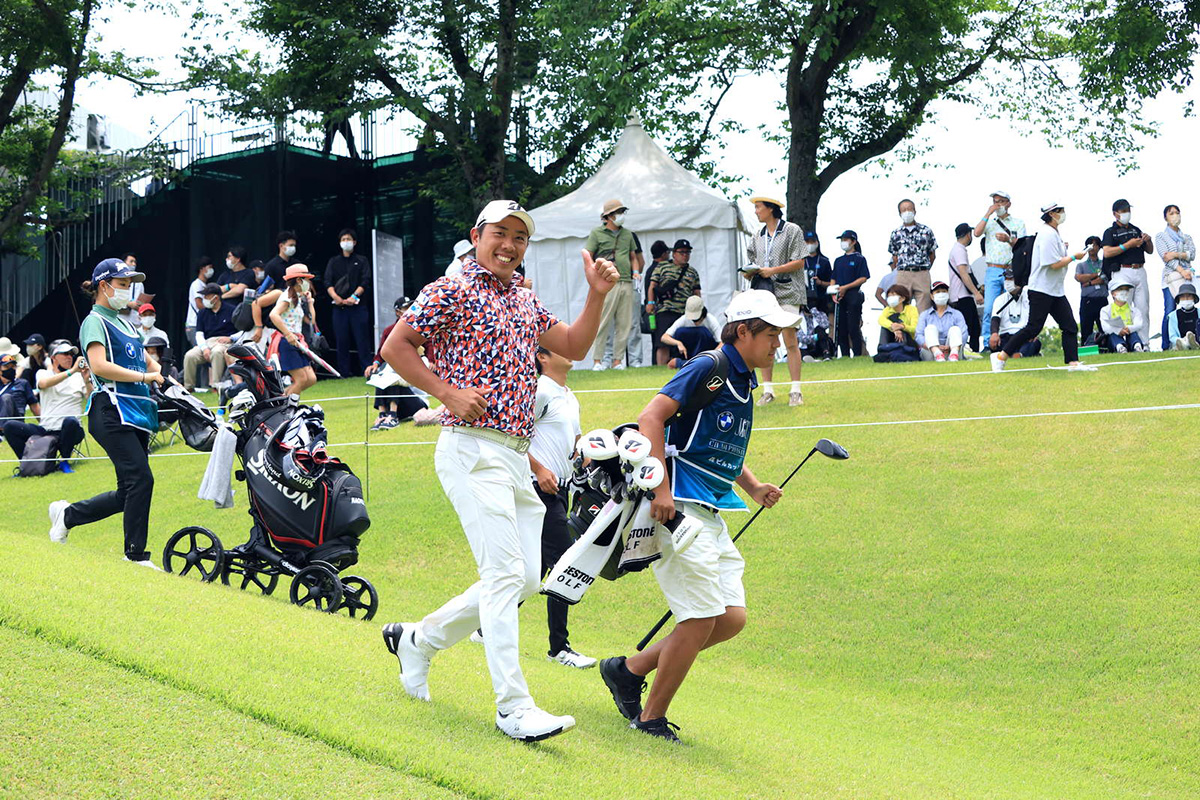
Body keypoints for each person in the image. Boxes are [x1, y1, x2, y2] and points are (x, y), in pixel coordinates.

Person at [378, 199, 619, 742]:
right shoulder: (451, 288)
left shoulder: (524, 300)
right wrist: (446, 392)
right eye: (499, 234)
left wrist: (597, 294)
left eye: (519, 237)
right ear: (476, 235)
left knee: (527, 577)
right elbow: (396, 346)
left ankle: (418, 641)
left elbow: (574, 346)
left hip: (513, 455)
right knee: (506, 576)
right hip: (470, 449)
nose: (509, 245)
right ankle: (513, 707)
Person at [598, 289, 791, 743]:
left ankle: (628, 670)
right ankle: (650, 718)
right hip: (678, 507)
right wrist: (660, 488)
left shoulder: (743, 380)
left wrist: (753, 486)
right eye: (771, 334)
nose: (778, 344)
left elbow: (717, 447)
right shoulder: (709, 366)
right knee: (701, 618)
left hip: (711, 508)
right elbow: (651, 417)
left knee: (731, 618)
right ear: (743, 332)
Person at [47, 258, 164, 566]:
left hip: (135, 411)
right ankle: (135, 556)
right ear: (104, 286)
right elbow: (98, 366)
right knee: (141, 480)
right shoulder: (94, 322)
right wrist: (145, 377)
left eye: (129, 285)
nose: (127, 291)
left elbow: (146, 358)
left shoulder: (127, 323)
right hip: (109, 410)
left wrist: (157, 371)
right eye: (123, 285)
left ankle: (67, 515)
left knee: (129, 491)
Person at [527, 345, 596, 668]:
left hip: (562, 489)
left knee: (535, 568)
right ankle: (559, 648)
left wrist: (586, 455)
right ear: (542, 357)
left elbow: (576, 441)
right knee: (565, 564)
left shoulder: (569, 395)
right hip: (538, 489)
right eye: (559, 348)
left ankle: (484, 628)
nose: (570, 351)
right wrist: (540, 470)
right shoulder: (540, 390)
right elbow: (514, 436)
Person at [991, 203, 1094, 372]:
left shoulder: (1053, 233)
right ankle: (1001, 356)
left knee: (1069, 326)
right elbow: (1053, 264)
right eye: (1060, 211)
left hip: (1055, 290)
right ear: (1052, 214)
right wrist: (1074, 257)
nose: (1063, 213)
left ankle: (1073, 363)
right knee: (1033, 328)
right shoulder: (1046, 234)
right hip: (1041, 290)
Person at [743, 196, 806, 406]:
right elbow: (753, 261)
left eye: (758, 207)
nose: (756, 211)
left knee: (790, 340)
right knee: (765, 340)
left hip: (788, 291)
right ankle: (767, 390)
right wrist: (750, 272)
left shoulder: (792, 230)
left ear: (770, 208)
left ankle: (796, 390)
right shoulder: (757, 235)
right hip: (765, 292)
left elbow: (800, 261)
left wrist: (773, 270)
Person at [4, 341, 88, 471]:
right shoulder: (43, 373)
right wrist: (71, 371)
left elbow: (91, 398)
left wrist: (87, 380)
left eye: (71, 354)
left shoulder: (78, 377)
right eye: (65, 354)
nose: (69, 357)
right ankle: (27, 463)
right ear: (53, 357)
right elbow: (43, 384)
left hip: (70, 429)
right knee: (10, 426)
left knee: (70, 421)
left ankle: (64, 462)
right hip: (46, 430)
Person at [586, 199, 643, 371]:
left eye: (622, 212)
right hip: (606, 282)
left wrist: (636, 272)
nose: (621, 215)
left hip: (626, 281)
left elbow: (633, 257)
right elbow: (588, 256)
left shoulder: (628, 234)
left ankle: (618, 361)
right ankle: (597, 360)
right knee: (603, 321)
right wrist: (594, 277)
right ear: (609, 216)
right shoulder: (596, 233)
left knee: (624, 324)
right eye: (618, 212)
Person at [365, 296, 428, 430]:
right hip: (399, 396)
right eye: (407, 308)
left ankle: (393, 416)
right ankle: (383, 414)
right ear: (398, 312)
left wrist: (432, 360)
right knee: (380, 377)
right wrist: (376, 364)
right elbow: (381, 352)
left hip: (417, 402)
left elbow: (431, 347)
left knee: (392, 379)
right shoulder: (389, 331)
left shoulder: (420, 330)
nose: (410, 310)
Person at [1101, 199, 1153, 348]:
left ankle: (1144, 344)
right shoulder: (1110, 232)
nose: (1126, 214)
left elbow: (1149, 250)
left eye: (1128, 210)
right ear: (1115, 214)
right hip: (1122, 271)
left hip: (1140, 269)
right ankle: (1123, 343)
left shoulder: (1136, 229)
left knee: (1143, 308)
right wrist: (1127, 245)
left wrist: (1148, 241)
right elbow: (1107, 252)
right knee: (1123, 307)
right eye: (1123, 211)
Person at [972, 191, 1026, 333]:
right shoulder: (989, 222)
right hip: (993, 269)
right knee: (989, 308)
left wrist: (1008, 240)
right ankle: (987, 340)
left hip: (1011, 269)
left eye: (1001, 201)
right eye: (995, 202)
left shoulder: (1018, 223)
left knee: (1012, 306)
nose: (998, 205)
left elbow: (1022, 246)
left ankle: (1010, 338)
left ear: (1009, 204)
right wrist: (988, 213)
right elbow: (976, 233)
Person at [324, 227, 374, 376]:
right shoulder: (333, 261)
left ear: (354, 242)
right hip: (339, 308)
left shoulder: (362, 260)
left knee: (362, 339)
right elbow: (327, 282)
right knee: (341, 340)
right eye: (343, 239)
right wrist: (335, 297)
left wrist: (354, 296)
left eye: (349, 239)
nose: (346, 242)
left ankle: (367, 370)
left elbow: (366, 280)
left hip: (358, 307)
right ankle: (343, 372)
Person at [648, 240, 702, 366]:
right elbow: (652, 286)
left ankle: (681, 365)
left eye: (687, 252)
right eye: (682, 252)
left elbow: (696, 292)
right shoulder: (662, 267)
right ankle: (661, 367)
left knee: (683, 342)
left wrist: (698, 309)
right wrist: (650, 302)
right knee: (663, 343)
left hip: (685, 313)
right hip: (665, 310)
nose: (685, 255)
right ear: (674, 254)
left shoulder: (692, 272)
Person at [267, 264, 319, 397]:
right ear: (299, 280)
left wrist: (310, 303)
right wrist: (288, 334)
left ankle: (282, 399)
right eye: (306, 279)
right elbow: (274, 315)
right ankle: (288, 406)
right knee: (301, 379)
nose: (308, 283)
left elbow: (311, 321)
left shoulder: (299, 297)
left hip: (298, 341)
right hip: (287, 341)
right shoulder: (287, 297)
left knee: (311, 379)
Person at [183, 283, 237, 391]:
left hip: (224, 342)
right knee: (190, 355)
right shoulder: (202, 312)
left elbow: (242, 331)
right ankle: (188, 388)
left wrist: (231, 338)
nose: (204, 299)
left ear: (216, 298)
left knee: (217, 352)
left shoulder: (231, 310)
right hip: (207, 342)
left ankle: (216, 386)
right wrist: (204, 348)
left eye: (207, 296)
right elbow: (199, 334)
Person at [887, 199, 937, 311]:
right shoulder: (896, 233)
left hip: (922, 273)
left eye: (909, 209)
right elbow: (894, 256)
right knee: (902, 307)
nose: (907, 212)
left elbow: (932, 254)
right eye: (904, 210)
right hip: (903, 273)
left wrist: (925, 268)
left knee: (924, 308)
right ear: (899, 213)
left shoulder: (926, 231)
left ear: (915, 211)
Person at [1156, 204, 1195, 345]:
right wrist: (1181, 269)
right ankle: (1166, 344)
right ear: (1165, 217)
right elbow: (1166, 258)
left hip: (1188, 277)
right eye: (1171, 213)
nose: (1175, 215)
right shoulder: (1161, 236)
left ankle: (1192, 339)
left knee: (1190, 307)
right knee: (1170, 310)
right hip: (1171, 277)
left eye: (1177, 212)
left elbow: (1192, 254)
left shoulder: (1186, 237)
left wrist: (1176, 254)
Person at [830, 229, 869, 357]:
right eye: (842, 240)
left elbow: (863, 278)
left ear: (853, 242)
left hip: (853, 295)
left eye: (846, 240)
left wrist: (846, 287)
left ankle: (857, 354)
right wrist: (833, 292)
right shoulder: (838, 260)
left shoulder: (859, 259)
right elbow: (833, 278)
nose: (843, 242)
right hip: (840, 296)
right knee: (841, 327)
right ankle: (845, 354)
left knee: (853, 327)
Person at [988, 271, 1042, 359]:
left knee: (1035, 343)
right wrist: (994, 334)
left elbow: (1036, 317)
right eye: (1006, 279)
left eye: (1011, 279)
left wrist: (1034, 333)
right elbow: (995, 319)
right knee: (995, 343)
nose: (1007, 282)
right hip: (1006, 336)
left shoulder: (1029, 296)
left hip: (1024, 335)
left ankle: (1018, 355)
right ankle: (1019, 354)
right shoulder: (1000, 299)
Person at [948, 223, 983, 352]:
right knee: (970, 328)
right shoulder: (959, 250)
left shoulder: (957, 249)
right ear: (968, 234)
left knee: (973, 328)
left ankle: (970, 351)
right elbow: (964, 274)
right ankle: (968, 352)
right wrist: (976, 293)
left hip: (961, 295)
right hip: (961, 296)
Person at [659, 295, 720, 367]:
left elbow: (722, 341)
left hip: (705, 354)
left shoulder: (711, 320)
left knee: (703, 332)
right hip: (688, 354)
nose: (695, 322)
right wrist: (678, 343)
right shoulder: (684, 319)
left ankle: (695, 363)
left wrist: (712, 356)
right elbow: (664, 337)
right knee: (680, 332)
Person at [916, 281, 968, 361]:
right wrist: (935, 347)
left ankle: (954, 355)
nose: (941, 294)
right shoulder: (925, 315)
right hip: (930, 352)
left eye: (944, 291)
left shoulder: (957, 314)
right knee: (930, 328)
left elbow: (964, 334)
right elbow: (918, 335)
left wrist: (950, 347)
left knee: (955, 329)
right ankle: (937, 354)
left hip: (952, 350)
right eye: (938, 292)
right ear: (932, 296)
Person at [1075, 236, 1108, 345]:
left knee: (1105, 328)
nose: (1092, 248)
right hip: (1087, 300)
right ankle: (1086, 348)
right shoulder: (1081, 265)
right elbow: (1079, 277)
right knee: (1086, 328)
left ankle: (1107, 348)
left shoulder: (1104, 263)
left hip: (1102, 300)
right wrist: (1095, 275)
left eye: (1095, 245)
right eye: (1090, 245)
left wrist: (1089, 282)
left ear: (1099, 247)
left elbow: (1104, 278)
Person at [1100, 277, 1146, 353]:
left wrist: (1128, 329)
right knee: (1112, 334)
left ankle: (1137, 346)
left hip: (1129, 334)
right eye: (1120, 289)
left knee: (1133, 333)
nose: (1124, 292)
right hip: (1114, 338)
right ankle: (1120, 348)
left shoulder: (1135, 310)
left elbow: (1139, 324)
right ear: (1113, 293)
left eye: (1126, 289)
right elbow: (1105, 327)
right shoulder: (1105, 310)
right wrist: (1118, 330)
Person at [642, 239, 672, 355]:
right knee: (660, 341)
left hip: (652, 309)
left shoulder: (650, 269)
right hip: (657, 310)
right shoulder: (658, 269)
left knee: (657, 339)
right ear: (663, 254)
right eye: (667, 253)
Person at [0, 353, 39, 424]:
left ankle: (2, 428)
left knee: (6, 398)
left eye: (13, 366)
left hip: (16, 421)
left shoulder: (23, 384)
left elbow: (34, 406)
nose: (10, 369)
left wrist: (45, 424)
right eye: (6, 367)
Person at [185, 257, 215, 348]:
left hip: (201, 324)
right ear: (201, 268)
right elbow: (199, 305)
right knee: (199, 350)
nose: (211, 270)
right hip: (194, 324)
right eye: (209, 267)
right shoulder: (196, 284)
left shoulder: (205, 285)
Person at [803, 230, 832, 315]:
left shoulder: (824, 261)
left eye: (812, 241)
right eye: (807, 242)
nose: (810, 244)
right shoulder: (799, 261)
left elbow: (831, 283)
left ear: (817, 243)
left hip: (821, 299)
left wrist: (820, 282)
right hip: (804, 299)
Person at [1166, 282, 1200, 350]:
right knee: (1180, 343)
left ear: (1194, 298)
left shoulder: (1199, 312)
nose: (1186, 299)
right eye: (1183, 297)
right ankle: (1185, 345)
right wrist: (1181, 341)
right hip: (1181, 341)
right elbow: (1172, 336)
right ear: (1179, 299)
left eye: (1189, 296)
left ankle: (1194, 344)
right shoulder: (1173, 316)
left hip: (1197, 340)